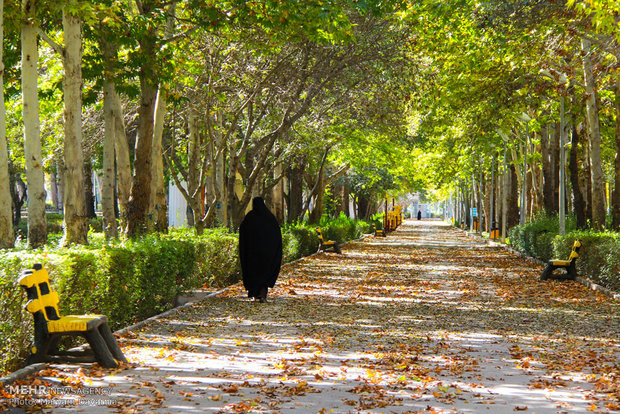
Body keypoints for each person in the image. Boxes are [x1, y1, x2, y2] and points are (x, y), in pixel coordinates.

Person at [238, 197, 282, 303]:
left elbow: (243, 235)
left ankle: (255, 293)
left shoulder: (250, 217)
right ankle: (263, 295)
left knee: (254, 274)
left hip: (252, 255)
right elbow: (277, 236)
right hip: (268, 254)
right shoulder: (270, 218)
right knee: (265, 274)